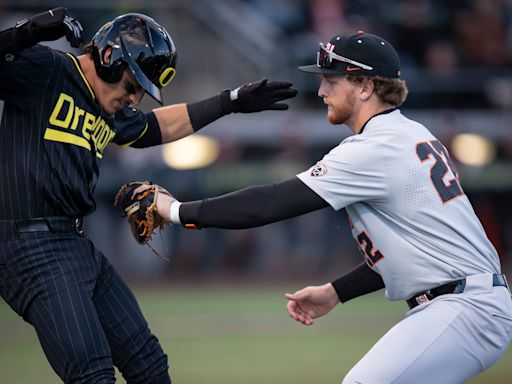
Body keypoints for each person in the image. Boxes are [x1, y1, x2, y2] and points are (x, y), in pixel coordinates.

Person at [137, 31, 512, 383]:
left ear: (366, 87)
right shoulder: (410, 133)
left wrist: (175, 210)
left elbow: (271, 203)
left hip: (464, 309)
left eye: (332, 80)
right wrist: (337, 291)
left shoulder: (374, 148)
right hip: (467, 302)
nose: (321, 90)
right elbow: (416, 253)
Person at [0, 7, 296, 384]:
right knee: (92, 376)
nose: (135, 98)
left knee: (149, 363)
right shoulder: (48, 70)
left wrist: (229, 102)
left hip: (72, 243)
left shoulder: (105, 102)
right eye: (132, 85)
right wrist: (24, 33)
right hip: (27, 244)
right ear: (109, 59)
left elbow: (152, 127)